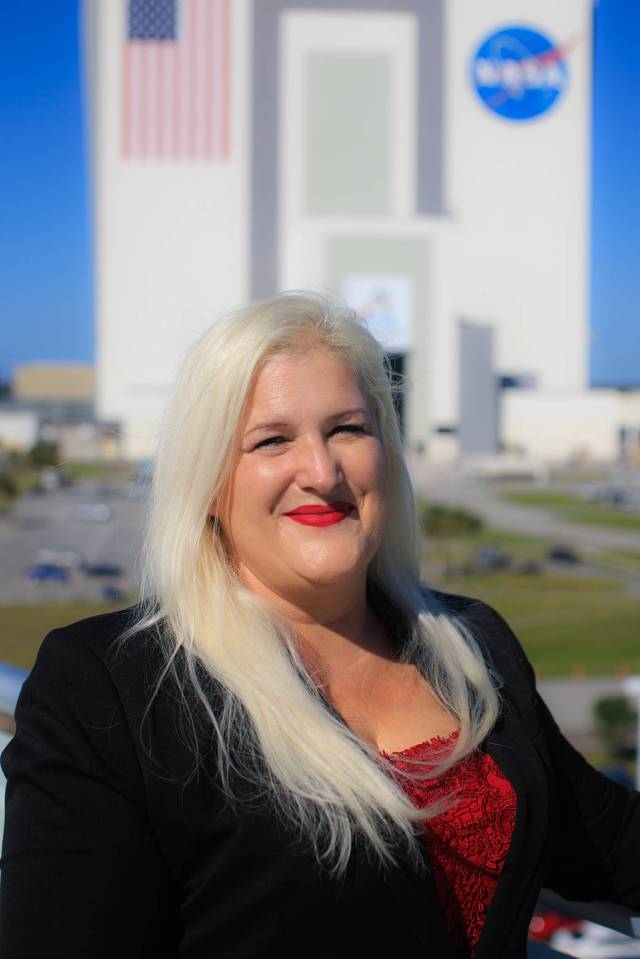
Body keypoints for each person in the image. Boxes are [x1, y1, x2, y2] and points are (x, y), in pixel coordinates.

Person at [0, 291, 638, 959]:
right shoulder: (109, 692)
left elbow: (606, 838)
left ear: (385, 452)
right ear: (210, 484)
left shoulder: (473, 641)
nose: (322, 470)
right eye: (273, 439)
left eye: (348, 429)